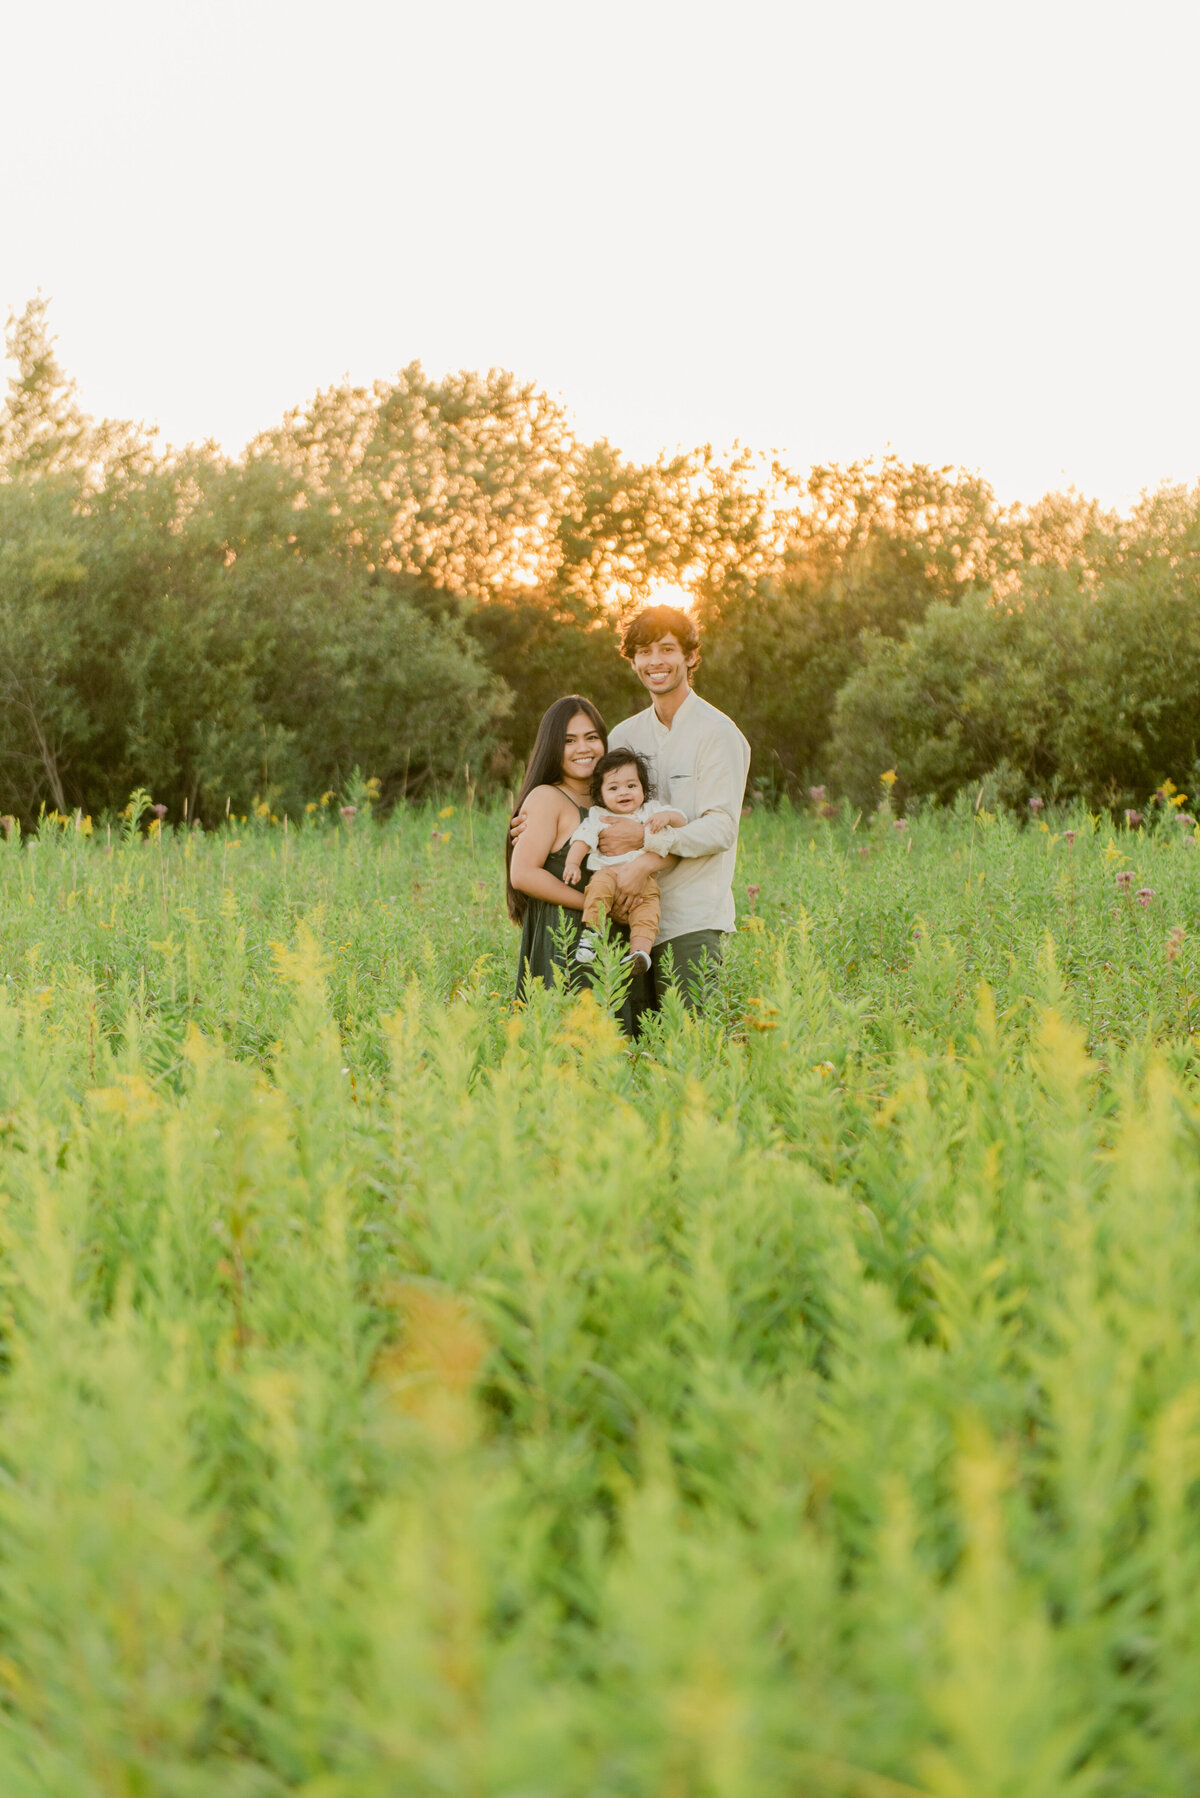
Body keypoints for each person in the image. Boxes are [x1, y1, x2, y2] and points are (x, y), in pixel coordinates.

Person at [512, 605, 751, 1017]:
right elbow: (586, 800)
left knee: (688, 1041)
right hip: (620, 923)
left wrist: (646, 841)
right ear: (633, 662)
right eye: (644, 652)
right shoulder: (625, 734)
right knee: (632, 1046)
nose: (655, 661)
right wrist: (530, 821)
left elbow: (722, 829)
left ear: (691, 656)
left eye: (667, 649)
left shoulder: (719, 734)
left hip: (686, 919)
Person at [506, 696, 606, 997]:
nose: (583, 748)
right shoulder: (547, 797)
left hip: (612, 940)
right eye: (569, 740)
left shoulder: (612, 799)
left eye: (591, 737)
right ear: (552, 747)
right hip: (566, 942)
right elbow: (523, 874)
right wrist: (594, 906)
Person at [561, 748, 686, 973]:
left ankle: (639, 953)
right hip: (608, 872)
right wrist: (572, 863)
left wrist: (666, 817)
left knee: (648, 911)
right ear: (600, 795)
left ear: (643, 789)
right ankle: (592, 934)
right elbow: (583, 838)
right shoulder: (599, 815)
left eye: (631, 785)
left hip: (645, 880)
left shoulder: (651, 811)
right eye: (613, 788)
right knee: (597, 890)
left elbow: (682, 820)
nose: (623, 792)